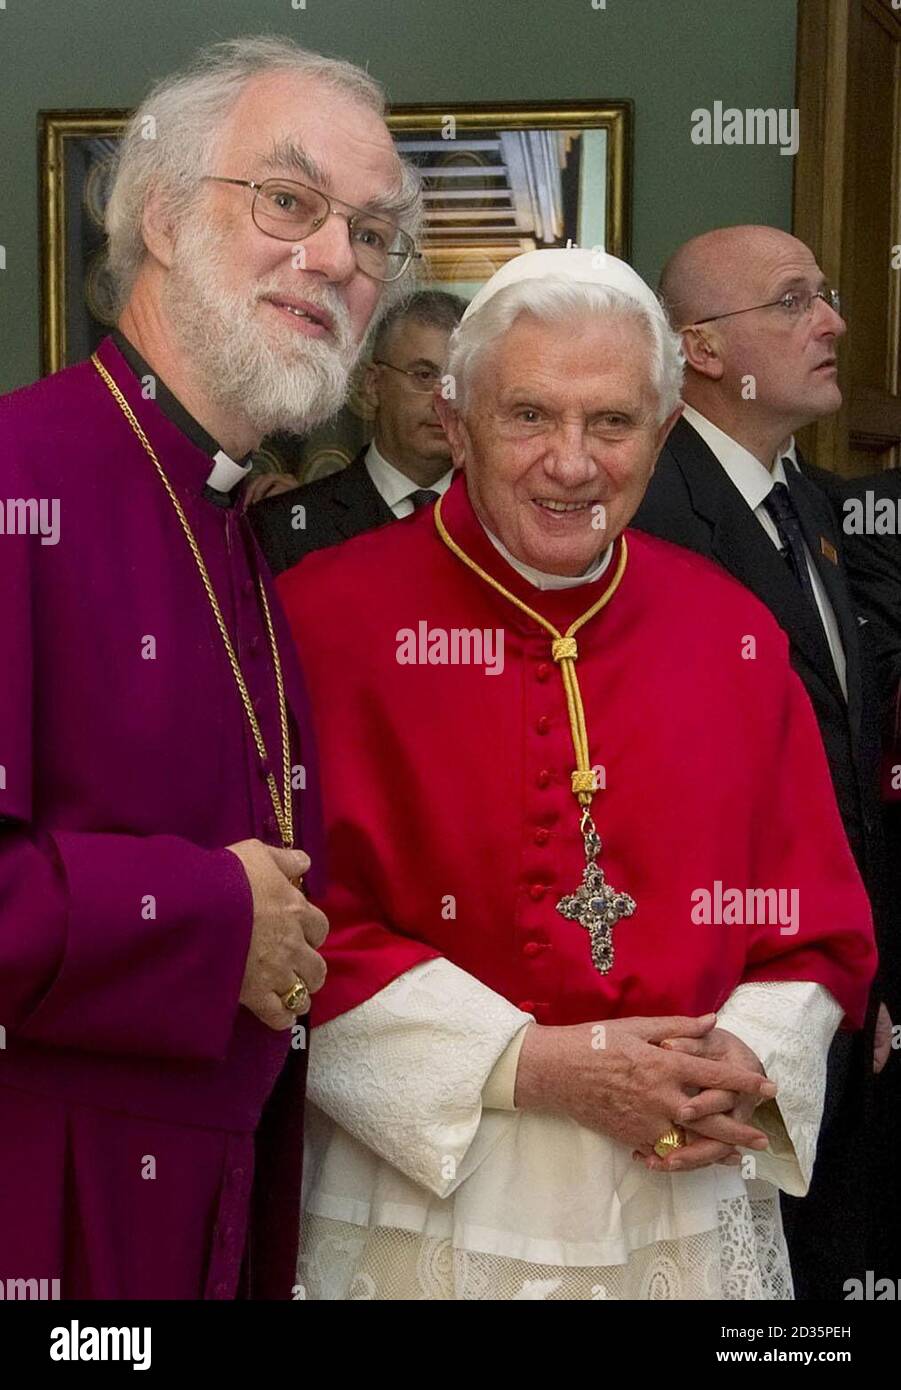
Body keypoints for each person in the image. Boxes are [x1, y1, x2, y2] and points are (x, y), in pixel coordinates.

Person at [278, 248, 876, 1301]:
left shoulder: (730, 628)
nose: (571, 463)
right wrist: (537, 1066)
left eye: (610, 423)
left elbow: (817, 921)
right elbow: (282, 930)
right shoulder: (322, 620)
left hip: (680, 1192)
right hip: (430, 1194)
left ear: (660, 431)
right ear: (456, 425)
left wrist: (735, 1059)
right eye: (528, 417)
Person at [0, 34, 420, 1299]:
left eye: (375, 234)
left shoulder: (225, 508)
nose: (339, 260)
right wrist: (209, 916)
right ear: (166, 217)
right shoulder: (22, 477)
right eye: (290, 203)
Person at [631, 224, 891, 1299]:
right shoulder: (646, 511)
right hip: (713, 1026)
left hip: (824, 1003)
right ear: (698, 346)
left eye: (826, 295)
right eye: (791, 302)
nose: (830, 322)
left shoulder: (815, 509)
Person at [251, 290, 467, 572]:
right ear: (373, 385)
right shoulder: (285, 527)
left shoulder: (502, 522)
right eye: (424, 375)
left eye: (460, 380)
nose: (445, 399)